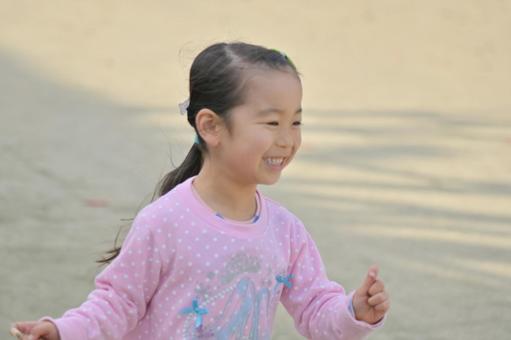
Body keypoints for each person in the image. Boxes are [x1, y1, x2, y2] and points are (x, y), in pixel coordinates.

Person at [12, 41, 389, 340]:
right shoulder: (164, 222)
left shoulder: (285, 231)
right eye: (272, 122)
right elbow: (117, 303)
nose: (287, 139)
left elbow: (314, 310)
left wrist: (352, 311)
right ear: (210, 126)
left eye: (297, 121)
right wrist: (64, 330)